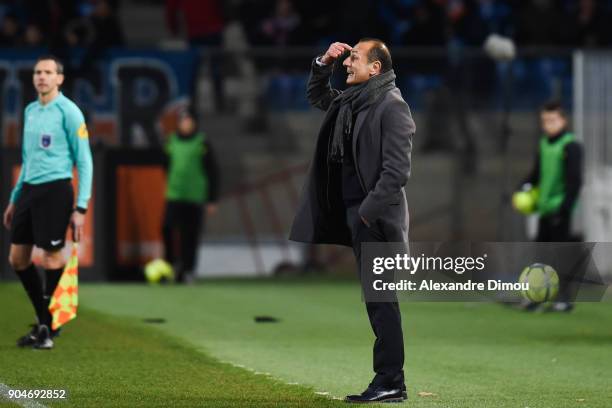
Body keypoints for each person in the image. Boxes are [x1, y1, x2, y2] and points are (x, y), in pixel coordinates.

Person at [289, 39, 415, 403]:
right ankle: (390, 379)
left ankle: (391, 381)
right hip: (354, 213)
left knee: (381, 300)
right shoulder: (354, 102)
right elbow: (317, 95)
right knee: (376, 299)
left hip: (372, 218)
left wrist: (365, 212)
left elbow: (396, 173)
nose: (347, 62)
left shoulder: (392, 106)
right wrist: (323, 62)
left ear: (375, 68)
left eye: (354, 58)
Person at [2, 56, 93, 350]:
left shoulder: (69, 112)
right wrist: (15, 198)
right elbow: (28, 160)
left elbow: (85, 161)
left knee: (52, 257)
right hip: (29, 190)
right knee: (17, 259)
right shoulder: (30, 111)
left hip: (56, 190)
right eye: (38, 72)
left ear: (60, 79)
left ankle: (45, 328)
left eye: (48, 72)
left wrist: (81, 208)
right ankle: (47, 319)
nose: (42, 76)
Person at [517, 101, 583, 312]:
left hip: (560, 210)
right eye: (545, 121)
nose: (548, 124)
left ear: (563, 120)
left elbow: (575, 181)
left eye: (553, 120)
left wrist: (565, 208)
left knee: (561, 256)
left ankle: (563, 299)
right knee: (540, 256)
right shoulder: (544, 144)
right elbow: (537, 174)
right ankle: (537, 296)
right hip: (544, 209)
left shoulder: (571, 145)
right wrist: (524, 185)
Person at [162, 107, 219, 283]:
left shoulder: (202, 143)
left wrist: (211, 199)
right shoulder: (171, 142)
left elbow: (213, 171)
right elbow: (166, 166)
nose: (186, 124)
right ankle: (170, 265)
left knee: (190, 235)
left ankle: (187, 270)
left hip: (195, 196)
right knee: (167, 229)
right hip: (175, 194)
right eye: (183, 121)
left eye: (189, 120)